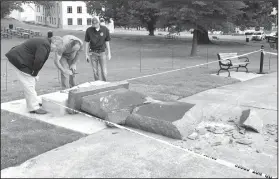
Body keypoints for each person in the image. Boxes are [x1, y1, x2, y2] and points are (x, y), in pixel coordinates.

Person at [5, 36, 61, 114]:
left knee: (31, 82)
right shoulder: (45, 45)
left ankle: (34, 101)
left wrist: (34, 74)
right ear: (54, 43)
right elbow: (39, 60)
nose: (55, 50)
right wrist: (34, 73)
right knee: (29, 84)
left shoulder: (44, 42)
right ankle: (33, 108)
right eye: (56, 48)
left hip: (20, 58)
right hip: (19, 60)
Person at [85, 16, 111, 81]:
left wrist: (109, 53)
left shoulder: (105, 29)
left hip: (102, 53)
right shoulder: (89, 30)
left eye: (96, 23)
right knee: (95, 71)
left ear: (99, 22)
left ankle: (104, 84)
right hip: (93, 53)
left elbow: (107, 42)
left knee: (104, 71)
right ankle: (97, 85)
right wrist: (86, 54)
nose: (95, 25)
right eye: (93, 24)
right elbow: (87, 43)